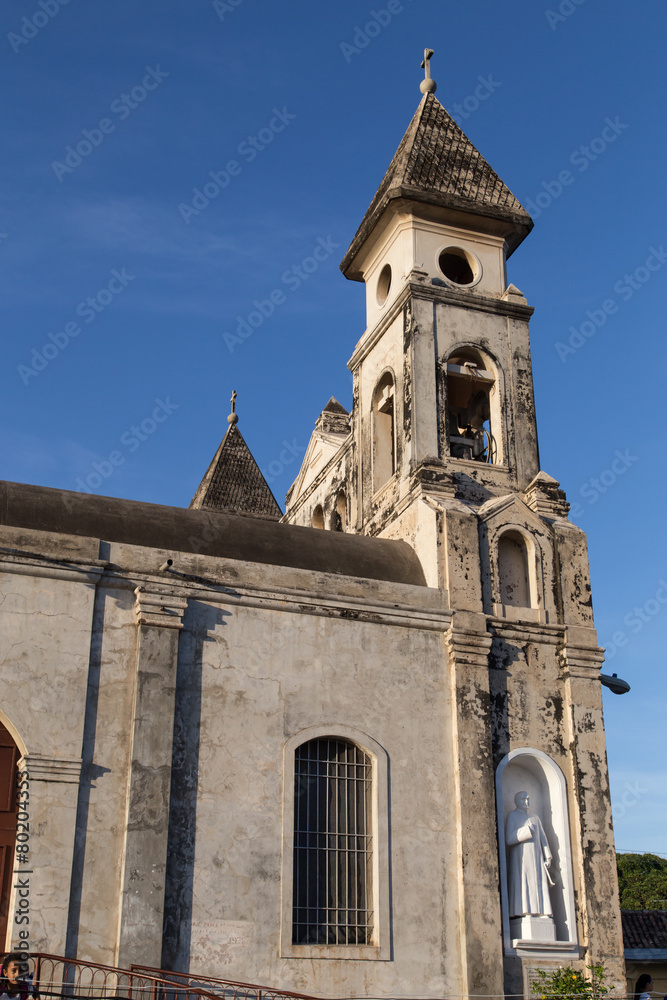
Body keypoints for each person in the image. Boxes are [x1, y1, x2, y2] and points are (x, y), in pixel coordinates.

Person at [506, 790, 553, 917]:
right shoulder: (513, 816)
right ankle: (525, 912)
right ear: (516, 802)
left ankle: (542, 912)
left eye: (528, 799)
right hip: (521, 859)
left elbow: (543, 839)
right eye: (523, 799)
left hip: (537, 857)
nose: (527, 801)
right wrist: (526, 831)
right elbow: (509, 838)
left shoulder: (535, 818)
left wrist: (548, 857)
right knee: (524, 883)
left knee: (538, 883)